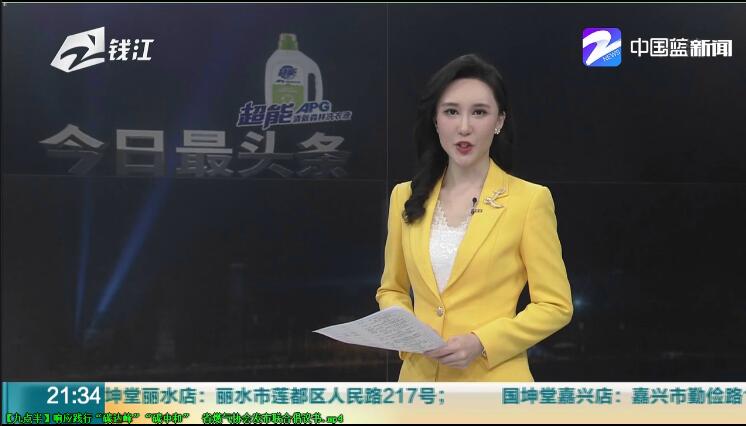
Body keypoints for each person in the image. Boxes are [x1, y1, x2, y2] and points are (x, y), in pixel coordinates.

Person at [375, 54, 573, 381]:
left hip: (492, 386)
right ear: (435, 120)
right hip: (418, 386)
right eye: (451, 112)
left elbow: (555, 306)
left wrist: (481, 342)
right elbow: (392, 289)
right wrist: (408, 332)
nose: (464, 127)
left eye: (479, 112)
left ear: (499, 121)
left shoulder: (529, 201)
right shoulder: (405, 196)